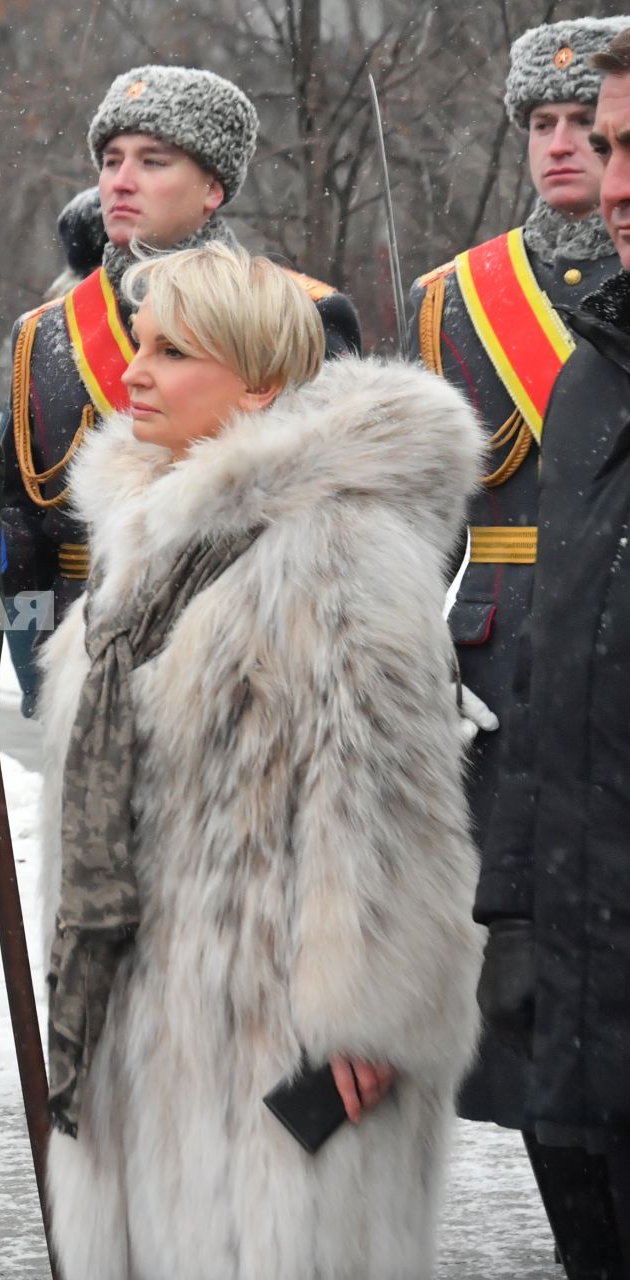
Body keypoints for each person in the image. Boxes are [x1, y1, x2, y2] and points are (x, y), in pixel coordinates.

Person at [35, 242, 482, 1279]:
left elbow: (386, 805)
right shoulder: (146, 539)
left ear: (263, 383)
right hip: (152, 1018)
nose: (134, 372)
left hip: (285, 1023)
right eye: (138, 345)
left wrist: (367, 1019)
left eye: (174, 352)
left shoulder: (337, 548)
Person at [404, 18, 630, 1275]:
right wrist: (408, 653)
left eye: (581, 128)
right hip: (502, 673)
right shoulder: (454, 299)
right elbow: (423, 508)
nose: (564, 151)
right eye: (545, 128)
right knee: (535, 974)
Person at [0, 65, 361, 715]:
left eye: (153, 160)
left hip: (239, 664)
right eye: (111, 160)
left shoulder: (302, 313)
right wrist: (39, 684)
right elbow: (23, 531)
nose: (121, 181)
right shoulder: (44, 335)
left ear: (213, 188)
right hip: (80, 655)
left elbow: (346, 517)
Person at [479, 27, 630, 1279]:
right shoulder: (574, 365)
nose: (584, 156)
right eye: (557, 125)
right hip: (528, 711)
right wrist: (516, 895)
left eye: (610, 128)